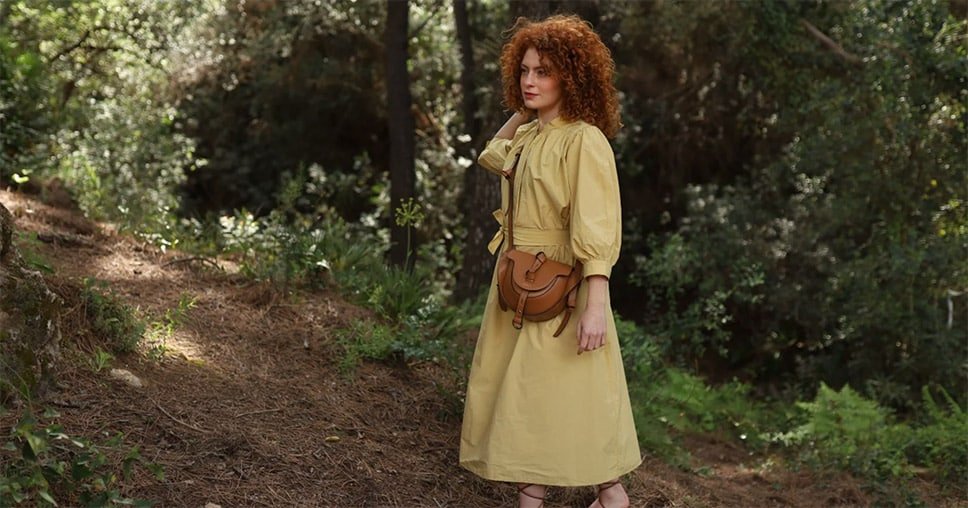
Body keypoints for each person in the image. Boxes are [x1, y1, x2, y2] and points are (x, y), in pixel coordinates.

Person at [459, 14, 641, 508]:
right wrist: (523, 109)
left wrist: (595, 301)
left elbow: (597, 223)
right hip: (519, 276)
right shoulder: (530, 136)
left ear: (571, 77)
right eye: (524, 71)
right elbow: (491, 154)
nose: (530, 80)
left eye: (544, 71)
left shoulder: (584, 139)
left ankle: (607, 493)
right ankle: (567, 494)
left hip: (562, 284)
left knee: (563, 392)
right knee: (529, 395)